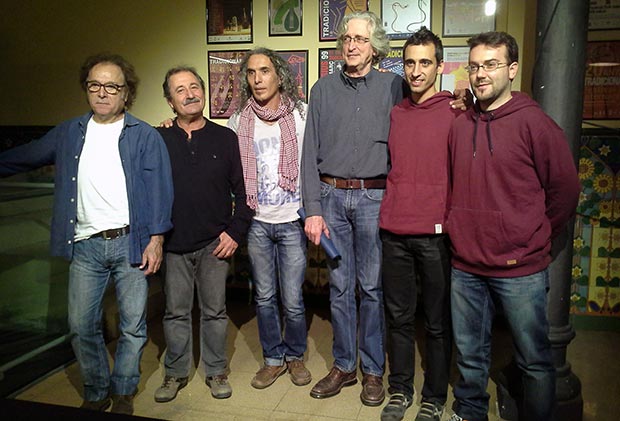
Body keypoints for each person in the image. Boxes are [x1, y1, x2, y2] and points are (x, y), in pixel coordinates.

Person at [0, 53, 173, 415]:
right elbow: (23, 157)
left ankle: (124, 390)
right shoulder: (68, 132)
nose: (103, 93)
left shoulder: (144, 136)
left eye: (112, 86)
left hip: (132, 243)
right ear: (87, 89)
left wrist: (156, 240)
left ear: (127, 93)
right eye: (95, 85)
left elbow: (161, 191)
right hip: (84, 246)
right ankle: (96, 391)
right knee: (80, 326)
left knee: (132, 327)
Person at [446, 32, 581, 421]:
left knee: (535, 361)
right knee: (470, 357)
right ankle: (470, 413)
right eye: (474, 66)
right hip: (466, 265)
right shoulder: (460, 124)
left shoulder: (534, 123)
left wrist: (531, 235)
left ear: (512, 69)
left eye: (490, 64)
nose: (480, 74)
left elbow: (565, 191)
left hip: (520, 268)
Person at [153, 66, 252, 403]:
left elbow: (244, 193)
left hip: (215, 245)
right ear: (169, 100)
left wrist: (235, 233)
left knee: (214, 312)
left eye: (194, 86)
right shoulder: (158, 138)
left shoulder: (226, 138)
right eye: (180, 90)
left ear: (204, 92)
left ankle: (216, 370)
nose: (190, 94)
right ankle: (176, 372)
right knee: (176, 312)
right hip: (173, 244)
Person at [379, 27, 462, 421]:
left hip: (435, 236)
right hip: (394, 230)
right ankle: (400, 389)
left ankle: (434, 396)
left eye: (425, 62)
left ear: (440, 67)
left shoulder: (456, 112)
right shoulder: (396, 112)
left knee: (436, 321)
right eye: (410, 62)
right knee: (397, 318)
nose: (416, 71)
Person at [227, 48, 311, 389]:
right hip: (257, 221)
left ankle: (295, 356)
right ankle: (272, 358)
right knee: (263, 297)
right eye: (251, 73)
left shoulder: (302, 114)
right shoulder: (238, 120)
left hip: (292, 219)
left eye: (264, 71)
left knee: (292, 297)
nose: (258, 78)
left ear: (279, 75)